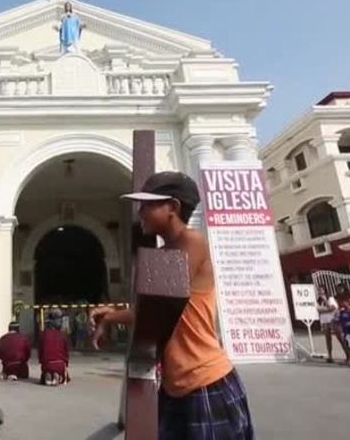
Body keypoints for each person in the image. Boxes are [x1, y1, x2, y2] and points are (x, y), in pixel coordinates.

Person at [90, 172, 253, 439]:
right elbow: (156, 308)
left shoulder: (192, 242)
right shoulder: (166, 253)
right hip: (174, 386)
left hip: (205, 381)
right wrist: (110, 316)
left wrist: (114, 316)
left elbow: (161, 304)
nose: (140, 212)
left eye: (148, 205)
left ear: (173, 208)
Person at [39, 311, 70, 386]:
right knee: (60, 367)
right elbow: (66, 352)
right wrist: (66, 363)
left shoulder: (43, 335)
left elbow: (40, 352)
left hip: (47, 364)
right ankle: (57, 375)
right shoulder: (62, 335)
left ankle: (48, 374)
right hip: (59, 363)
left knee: (47, 368)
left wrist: (41, 361)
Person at [316, 286, 339, 363]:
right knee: (328, 339)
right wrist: (326, 310)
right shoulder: (318, 300)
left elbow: (333, 308)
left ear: (325, 291)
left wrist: (325, 301)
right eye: (318, 290)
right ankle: (330, 356)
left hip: (332, 320)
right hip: (324, 321)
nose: (319, 291)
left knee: (340, 338)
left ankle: (349, 355)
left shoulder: (330, 299)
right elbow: (318, 310)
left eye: (321, 290)